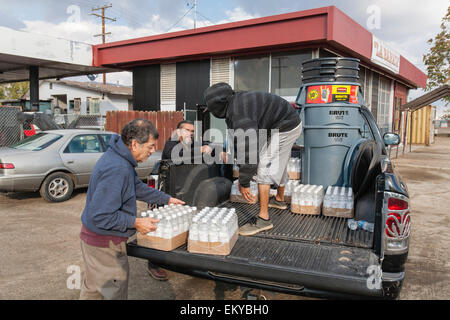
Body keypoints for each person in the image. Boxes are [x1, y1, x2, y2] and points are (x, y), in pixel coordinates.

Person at [79, 119, 184, 300]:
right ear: (135, 144)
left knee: (94, 289)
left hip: (98, 239)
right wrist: (135, 222)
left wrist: (166, 199)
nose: (152, 152)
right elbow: (101, 215)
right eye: (150, 147)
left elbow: (136, 187)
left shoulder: (121, 159)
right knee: (112, 291)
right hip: (104, 243)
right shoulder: (117, 167)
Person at [203, 82, 302, 236]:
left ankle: (264, 219)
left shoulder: (239, 113)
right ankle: (280, 199)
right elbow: (239, 141)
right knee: (276, 161)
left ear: (218, 106)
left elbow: (249, 150)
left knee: (264, 166)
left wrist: (244, 182)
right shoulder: (236, 102)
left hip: (286, 126)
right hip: (281, 122)